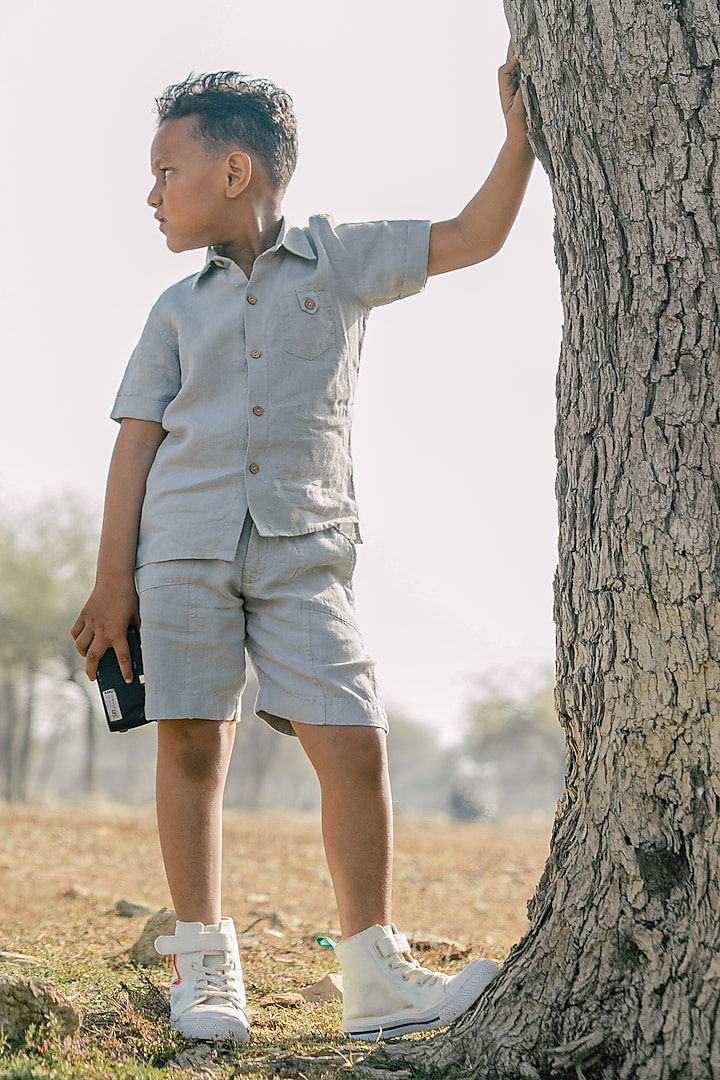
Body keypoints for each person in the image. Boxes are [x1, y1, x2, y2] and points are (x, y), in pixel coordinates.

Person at [72, 43, 535, 1044]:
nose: (151, 195)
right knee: (192, 748)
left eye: (166, 172)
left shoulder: (344, 257)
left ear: (233, 174)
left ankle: (373, 970)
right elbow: (135, 447)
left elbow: (474, 235)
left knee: (354, 743)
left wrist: (520, 143)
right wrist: (114, 582)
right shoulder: (172, 311)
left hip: (305, 553)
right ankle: (203, 966)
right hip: (182, 554)